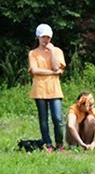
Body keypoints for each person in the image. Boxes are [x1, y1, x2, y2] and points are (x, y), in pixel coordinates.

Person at [28, 24, 66, 152]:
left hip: (55, 89)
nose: (46, 40)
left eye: (48, 37)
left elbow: (57, 67)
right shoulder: (33, 53)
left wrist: (52, 52)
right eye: (44, 37)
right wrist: (53, 73)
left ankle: (59, 144)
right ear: (38, 37)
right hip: (39, 90)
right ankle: (47, 144)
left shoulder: (57, 51)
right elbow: (34, 70)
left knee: (58, 118)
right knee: (43, 119)